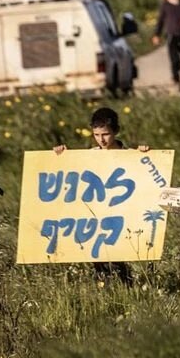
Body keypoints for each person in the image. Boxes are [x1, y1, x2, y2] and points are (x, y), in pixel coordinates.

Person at [53, 107, 149, 285]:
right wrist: (62, 155)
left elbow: (144, 177)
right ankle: (105, 287)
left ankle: (127, 287)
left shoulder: (128, 154)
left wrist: (144, 154)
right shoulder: (91, 156)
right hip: (96, 214)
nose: (101, 140)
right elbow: (73, 173)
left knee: (118, 255)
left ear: (116, 131)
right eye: (96, 135)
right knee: (97, 257)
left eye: (105, 134)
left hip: (120, 212)